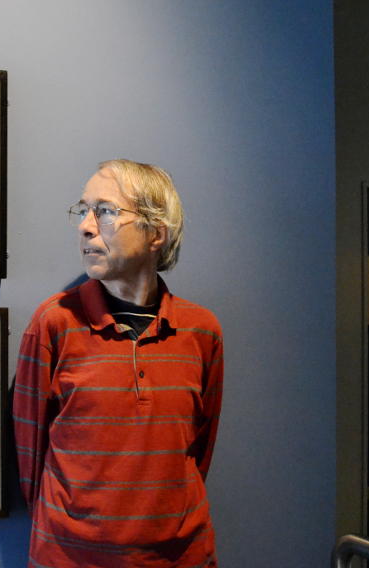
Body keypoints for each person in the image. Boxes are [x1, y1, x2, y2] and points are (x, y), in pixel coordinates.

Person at [13, 160, 224, 567]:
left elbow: (199, 449)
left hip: (180, 556)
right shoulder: (54, 321)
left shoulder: (202, 330)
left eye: (106, 211)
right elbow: (30, 453)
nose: (85, 226)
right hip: (69, 557)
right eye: (83, 210)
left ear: (155, 233)